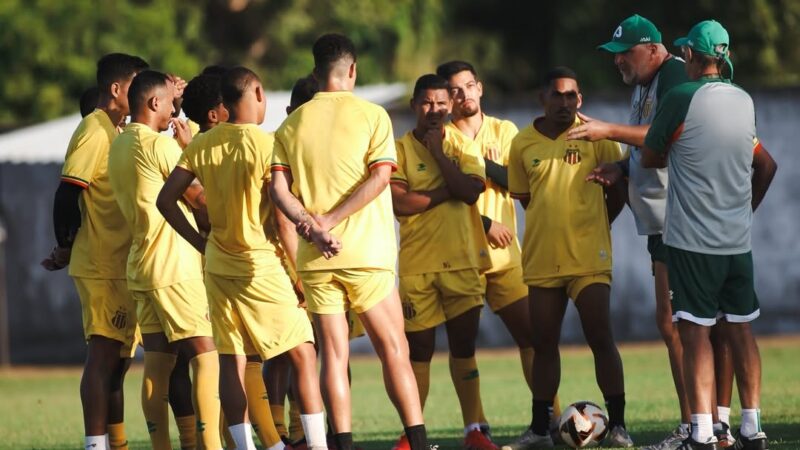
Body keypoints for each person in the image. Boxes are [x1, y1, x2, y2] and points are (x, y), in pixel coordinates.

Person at [269, 33, 428, 450]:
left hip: (315, 258)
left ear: (316, 72)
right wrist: (332, 220)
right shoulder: (373, 115)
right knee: (394, 348)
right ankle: (418, 439)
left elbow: (278, 191)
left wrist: (312, 225)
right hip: (366, 255)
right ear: (352, 69)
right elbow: (379, 178)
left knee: (334, 356)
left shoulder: (290, 124)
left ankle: (342, 445)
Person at [569, 14, 721, 449]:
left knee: (682, 324)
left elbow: (669, 136)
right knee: (675, 324)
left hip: (682, 216)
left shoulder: (674, 72)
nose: (618, 62)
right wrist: (620, 167)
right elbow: (650, 146)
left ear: (653, 49)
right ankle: (700, 423)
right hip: (662, 219)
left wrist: (608, 131)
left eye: (625, 53)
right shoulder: (644, 86)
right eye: (614, 55)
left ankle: (701, 425)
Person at [157, 66, 328, 450]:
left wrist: (200, 243)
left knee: (232, 360)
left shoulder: (202, 143)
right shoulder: (268, 144)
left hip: (218, 266)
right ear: (256, 93)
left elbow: (166, 200)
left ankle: (246, 446)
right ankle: (318, 445)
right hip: (259, 266)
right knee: (303, 352)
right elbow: (284, 222)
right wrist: (300, 275)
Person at [641, 20, 777, 450]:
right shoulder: (744, 99)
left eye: (686, 54)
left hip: (691, 243)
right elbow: (766, 166)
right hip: (738, 242)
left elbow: (649, 157)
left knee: (695, 333)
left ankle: (701, 431)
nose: (683, 60)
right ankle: (751, 427)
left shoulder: (681, 96)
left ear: (695, 58)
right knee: (741, 330)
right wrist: (744, 213)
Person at [506, 66, 632, 449]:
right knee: (543, 343)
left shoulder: (597, 136)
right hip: (543, 257)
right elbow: (526, 198)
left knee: (600, 336)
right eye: (558, 95)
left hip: (589, 256)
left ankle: (620, 425)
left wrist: (596, 225)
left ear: (581, 99)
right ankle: (540, 429)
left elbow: (618, 187)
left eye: (572, 95)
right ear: (542, 99)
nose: (566, 103)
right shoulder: (522, 142)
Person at [436, 60, 562, 433]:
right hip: (460, 255)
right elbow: (443, 196)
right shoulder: (440, 138)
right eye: (454, 91)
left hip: (505, 257)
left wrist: (478, 166)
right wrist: (484, 222)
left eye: (468, 86)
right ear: (446, 99)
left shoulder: (505, 131)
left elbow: (515, 180)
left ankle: (552, 418)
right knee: (463, 344)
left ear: (480, 87)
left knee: (533, 337)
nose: (463, 95)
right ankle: (475, 425)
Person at [107, 70, 222, 450]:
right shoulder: (158, 145)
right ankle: (211, 445)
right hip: (174, 265)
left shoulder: (119, 144)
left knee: (158, 363)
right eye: (171, 102)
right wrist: (190, 148)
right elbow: (199, 197)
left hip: (141, 266)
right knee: (206, 355)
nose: (177, 108)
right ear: (155, 103)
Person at [41, 52, 148, 450]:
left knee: (118, 365)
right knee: (103, 359)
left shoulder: (118, 132)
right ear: (117, 89)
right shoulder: (95, 128)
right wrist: (65, 246)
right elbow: (68, 192)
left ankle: (115, 444)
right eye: (136, 84)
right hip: (100, 264)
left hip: (122, 265)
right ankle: (95, 445)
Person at [390, 73, 497, 450]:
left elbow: (470, 193)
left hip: (464, 259)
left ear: (451, 105)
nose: (434, 110)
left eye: (440, 103)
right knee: (419, 351)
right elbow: (400, 204)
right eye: (426, 103)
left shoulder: (463, 145)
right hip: (418, 265)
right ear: (414, 106)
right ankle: (411, 435)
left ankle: (474, 432)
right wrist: (446, 190)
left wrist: (438, 156)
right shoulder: (398, 148)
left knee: (463, 348)